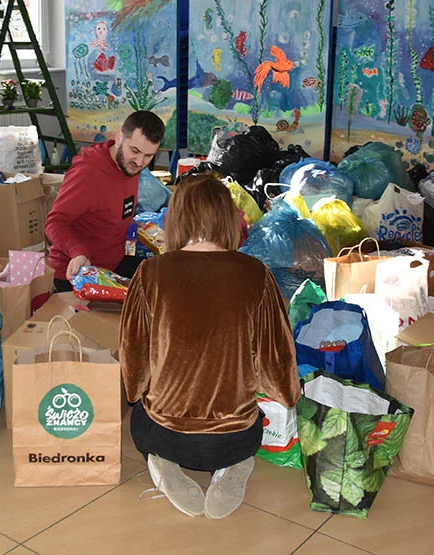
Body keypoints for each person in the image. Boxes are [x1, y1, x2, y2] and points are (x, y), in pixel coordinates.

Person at [119, 174, 299, 519]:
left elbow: (134, 362)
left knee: (141, 416)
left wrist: (138, 390)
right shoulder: (257, 274)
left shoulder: (149, 273)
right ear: (228, 218)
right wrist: (288, 394)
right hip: (235, 437)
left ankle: (163, 464)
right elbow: (278, 360)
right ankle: (234, 467)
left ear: (177, 218)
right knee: (251, 424)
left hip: (166, 433)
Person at [46, 110, 165, 293]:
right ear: (119, 137)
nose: (140, 162)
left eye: (149, 156)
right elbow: (54, 223)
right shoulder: (88, 172)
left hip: (113, 266)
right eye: (135, 151)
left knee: (165, 276)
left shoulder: (130, 165)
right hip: (79, 275)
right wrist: (78, 251)